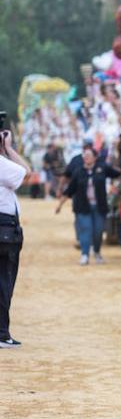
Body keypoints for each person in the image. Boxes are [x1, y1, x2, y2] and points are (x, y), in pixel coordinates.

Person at [56, 145, 121, 265]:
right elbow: (70, 190)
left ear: (95, 157)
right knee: (86, 230)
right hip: (83, 207)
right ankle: (84, 254)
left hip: (99, 206)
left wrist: (118, 187)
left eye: (89, 155)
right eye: (84, 155)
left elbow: (118, 174)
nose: (86, 157)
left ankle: (96, 252)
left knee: (98, 231)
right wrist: (60, 205)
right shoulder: (78, 172)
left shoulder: (102, 168)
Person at [0, 128, 32, 348]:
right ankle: (2, 333)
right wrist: (8, 148)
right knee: (4, 283)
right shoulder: (2, 165)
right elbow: (26, 171)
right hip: (5, 228)